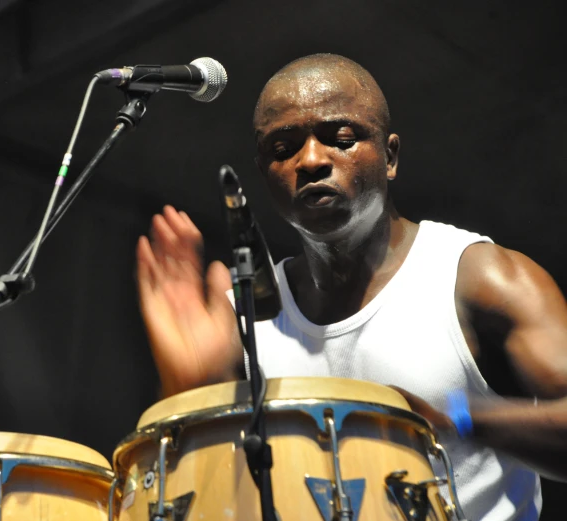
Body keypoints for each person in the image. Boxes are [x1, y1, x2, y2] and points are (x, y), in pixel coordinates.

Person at [134, 53, 567, 521]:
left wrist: (455, 420)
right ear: (265, 173)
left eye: (340, 139)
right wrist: (187, 391)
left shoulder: (477, 276)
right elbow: (191, 496)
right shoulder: (247, 315)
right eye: (284, 149)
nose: (312, 160)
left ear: (391, 156)